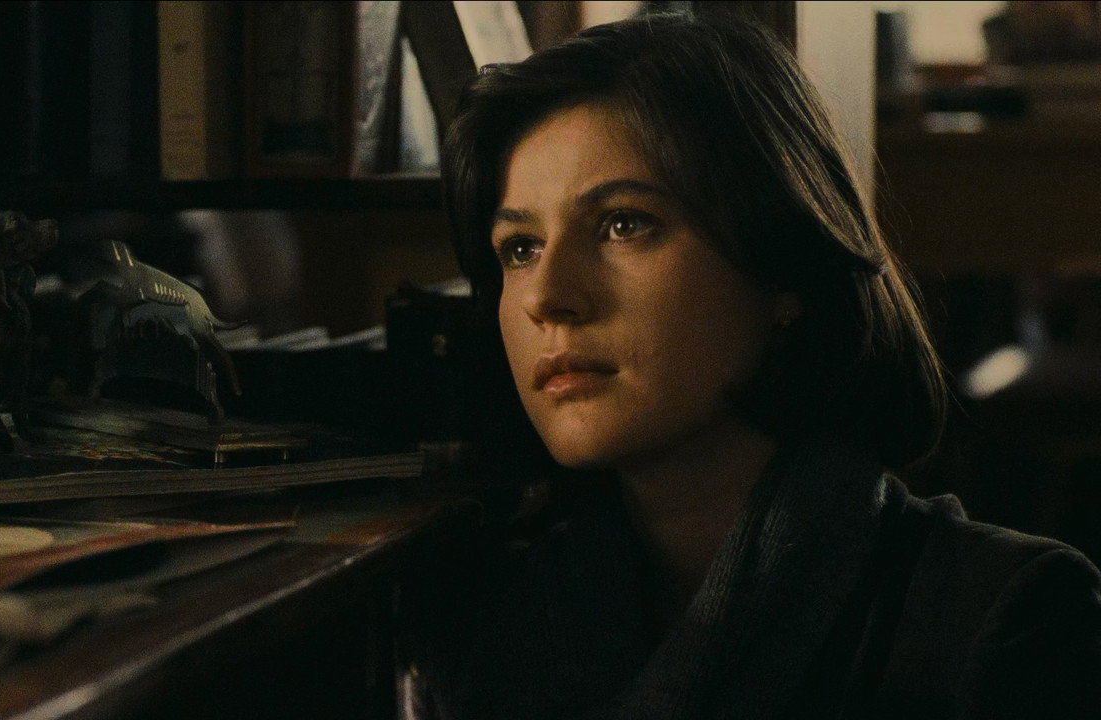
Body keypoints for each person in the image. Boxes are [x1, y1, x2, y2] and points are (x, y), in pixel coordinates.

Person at [400, 10, 1101, 720]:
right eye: (520, 249)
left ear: (781, 268)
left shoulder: (1007, 622)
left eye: (623, 224)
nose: (546, 297)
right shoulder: (477, 628)